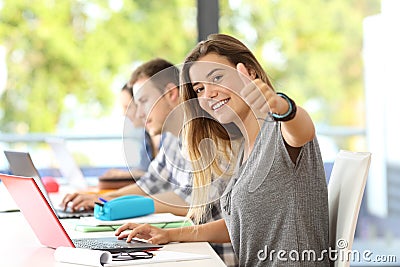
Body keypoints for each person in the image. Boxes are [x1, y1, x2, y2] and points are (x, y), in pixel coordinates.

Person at [115, 34, 329, 266]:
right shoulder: (242, 148)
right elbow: (235, 225)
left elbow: (302, 130)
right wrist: (169, 235)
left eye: (217, 77)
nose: (208, 94)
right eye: (199, 89)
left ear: (250, 72)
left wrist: (281, 105)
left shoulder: (278, 129)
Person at [61, 58, 238, 266]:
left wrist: (121, 206)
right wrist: (104, 199)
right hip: (194, 249)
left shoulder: (208, 139)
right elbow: (149, 183)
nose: (139, 113)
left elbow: (195, 204)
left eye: (144, 101)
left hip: (217, 257)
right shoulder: (172, 138)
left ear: (171, 94)